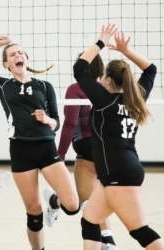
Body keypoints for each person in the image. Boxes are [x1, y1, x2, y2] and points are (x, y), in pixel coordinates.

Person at [0, 36, 79, 250]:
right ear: (6, 64)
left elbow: (57, 123)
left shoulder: (45, 86)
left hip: (46, 147)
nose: (18, 56)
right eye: (12, 54)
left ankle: (53, 202)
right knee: (33, 209)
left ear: (26, 58)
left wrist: (47, 120)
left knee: (72, 205)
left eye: (20, 53)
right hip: (21, 150)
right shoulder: (2, 85)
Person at [73, 24, 164, 250]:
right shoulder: (136, 99)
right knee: (90, 221)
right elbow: (151, 70)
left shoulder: (105, 101)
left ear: (109, 81)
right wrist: (125, 51)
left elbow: (80, 68)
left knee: (139, 230)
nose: (101, 79)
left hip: (119, 172)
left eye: (103, 76)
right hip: (117, 171)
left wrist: (101, 42)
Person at [58, 54, 118, 250]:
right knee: (97, 197)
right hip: (108, 148)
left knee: (85, 203)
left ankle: (54, 200)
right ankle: (108, 239)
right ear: (101, 71)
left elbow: (70, 123)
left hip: (86, 146)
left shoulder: (76, 89)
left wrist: (60, 156)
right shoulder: (108, 90)